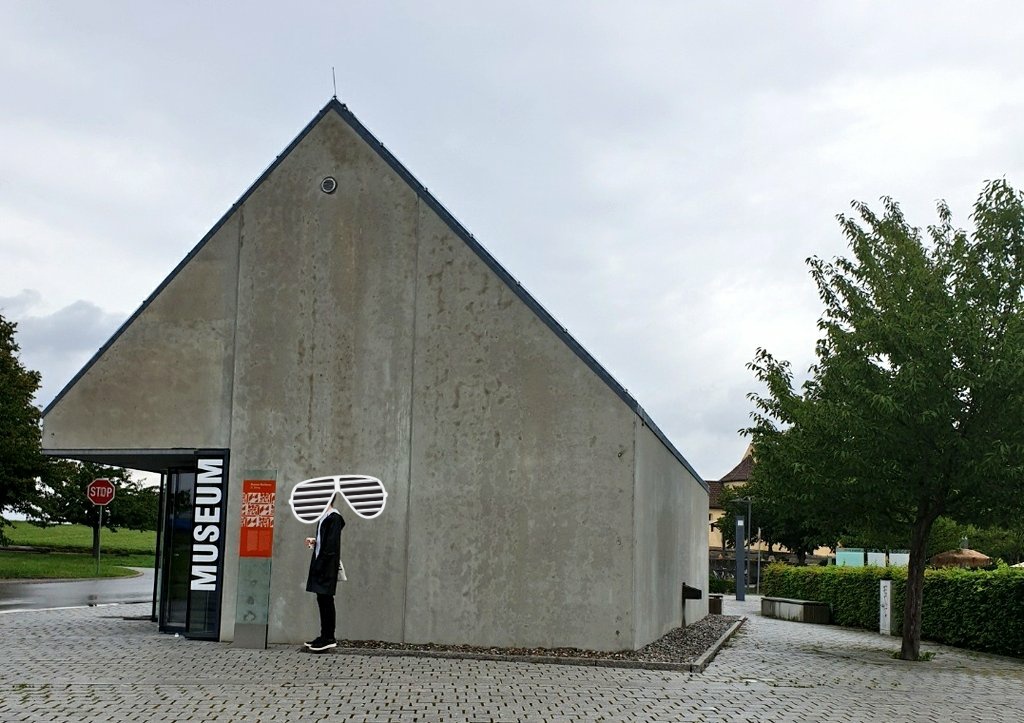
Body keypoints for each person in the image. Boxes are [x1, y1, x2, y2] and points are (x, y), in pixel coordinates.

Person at [304, 494, 345, 652]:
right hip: (322, 564)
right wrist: (315, 542)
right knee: (322, 599)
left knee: (326, 599)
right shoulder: (325, 517)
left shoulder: (334, 518)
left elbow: (331, 546)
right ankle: (324, 635)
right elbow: (326, 542)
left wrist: (321, 565)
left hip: (326, 566)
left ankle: (329, 637)